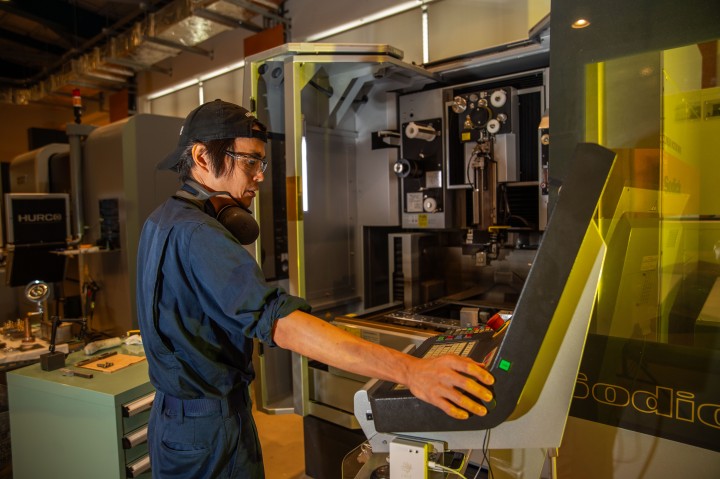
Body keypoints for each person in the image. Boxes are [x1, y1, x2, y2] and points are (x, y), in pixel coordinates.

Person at [136, 99, 495, 478]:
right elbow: (281, 324)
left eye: (262, 163)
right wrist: (413, 371)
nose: (259, 175)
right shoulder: (201, 235)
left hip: (175, 420)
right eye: (250, 161)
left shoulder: (163, 221)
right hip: (209, 426)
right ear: (202, 157)